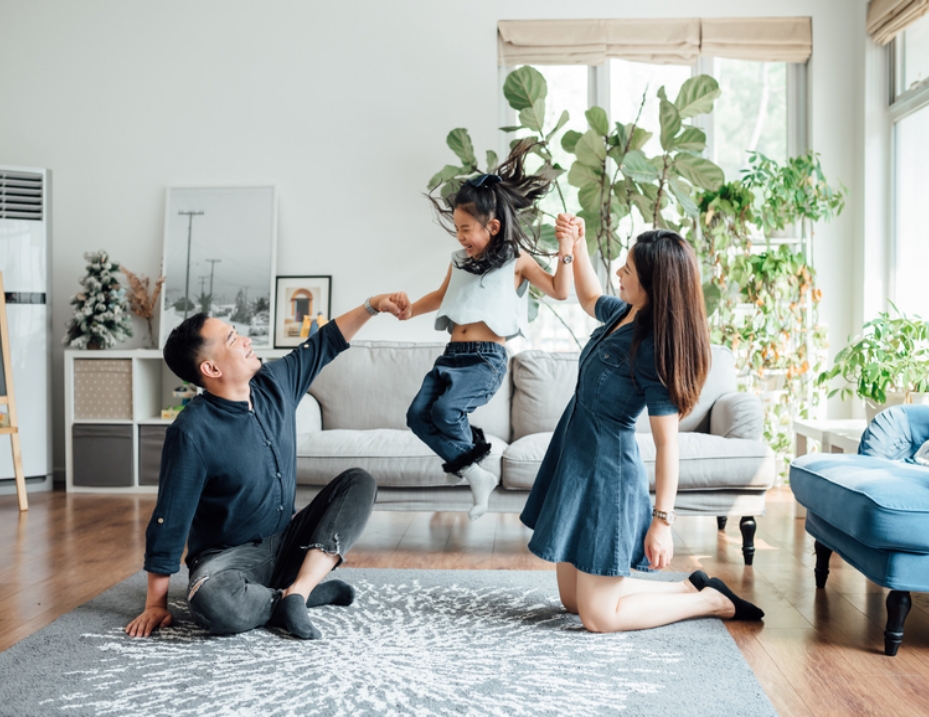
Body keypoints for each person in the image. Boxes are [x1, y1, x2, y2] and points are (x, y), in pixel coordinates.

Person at [520, 215, 764, 632]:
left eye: (628, 270)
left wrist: (662, 522)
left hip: (607, 478)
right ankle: (689, 588)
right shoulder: (623, 314)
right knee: (571, 602)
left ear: (655, 286)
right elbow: (587, 296)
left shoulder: (655, 350)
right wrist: (576, 241)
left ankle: (709, 602)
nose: (618, 272)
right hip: (577, 458)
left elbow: (668, 445)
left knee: (598, 618)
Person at [125, 293, 407, 640]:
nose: (245, 341)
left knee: (359, 481)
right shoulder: (191, 432)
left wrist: (372, 306)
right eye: (231, 339)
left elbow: (326, 341)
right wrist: (156, 604)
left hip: (288, 541)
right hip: (227, 561)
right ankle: (292, 597)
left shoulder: (275, 382)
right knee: (210, 601)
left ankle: (298, 591)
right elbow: (169, 519)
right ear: (211, 369)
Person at [393, 139, 576, 520]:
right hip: (451, 356)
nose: (460, 237)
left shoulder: (516, 260)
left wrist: (566, 249)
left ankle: (471, 464)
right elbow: (442, 296)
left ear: (492, 226)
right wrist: (410, 310)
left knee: (445, 411)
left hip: (485, 360)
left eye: (466, 229)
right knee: (417, 415)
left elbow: (560, 291)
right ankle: (474, 471)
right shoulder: (459, 260)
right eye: (456, 229)